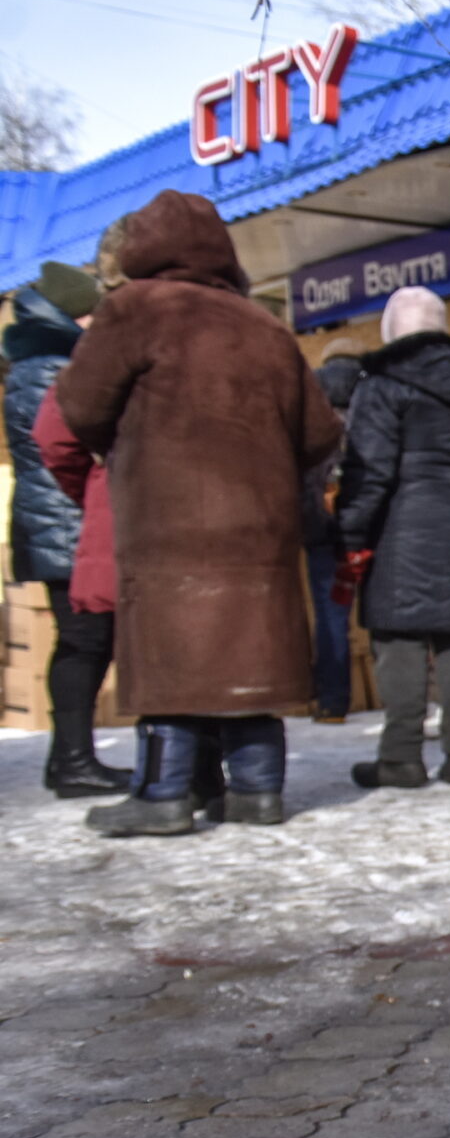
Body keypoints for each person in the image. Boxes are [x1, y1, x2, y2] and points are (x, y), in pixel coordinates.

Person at [53, 189, 342, 836]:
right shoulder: (264, 326)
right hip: (260, 531)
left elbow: (79, 405)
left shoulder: (137, 308)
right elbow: (321, 433)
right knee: (250, 657)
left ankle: (163, 794)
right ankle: (258, 793)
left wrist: (124, 444)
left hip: (168, 522)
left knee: (174, 656)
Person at [334, 286, 450, 788]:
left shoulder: (381, 387)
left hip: (405, 535)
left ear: (392, 331)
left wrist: (349, 533)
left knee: (401, 639)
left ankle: (401, 758)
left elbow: (368, 471)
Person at [5, 258, 125, 797]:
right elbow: (66, 447)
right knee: (85, 642)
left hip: (54, 522)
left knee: (82, 642)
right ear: (70, 317)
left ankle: (68, 760)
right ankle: (74, 760)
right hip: (65, 523)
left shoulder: (36, 362)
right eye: (89, 317)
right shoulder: (53, 368)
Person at [306, 336, 366, 722]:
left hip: (319, 522)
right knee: (382, 612)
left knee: (331, 615)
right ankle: (401, 695)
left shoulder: (308, 393)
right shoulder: (374, 391)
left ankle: (332, 701)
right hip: (366, 518)